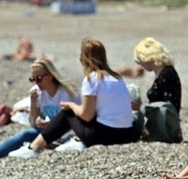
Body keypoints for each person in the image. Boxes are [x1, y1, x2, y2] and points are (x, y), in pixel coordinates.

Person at [8, 37, 138, 158]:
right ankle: (75, 141)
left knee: (68, 112)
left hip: (105, 137)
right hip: (127, 134)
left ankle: (33, 148)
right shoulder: (117, 78)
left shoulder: (92, 79)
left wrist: (71, 105)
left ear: (84, 59)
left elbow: (86, 115)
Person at [0, 59, 80, 162]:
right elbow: (33, 123)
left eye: (39, 78)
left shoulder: (65, 92)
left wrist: (51, 124)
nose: (36, 82)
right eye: (32, 79)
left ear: (50, 76)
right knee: (26, 133)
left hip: (70, 133)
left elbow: (73, 120)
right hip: (50, 133)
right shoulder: (38, 92)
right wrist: (33, 103)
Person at [132, 37, 182, 142]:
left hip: (166, 128)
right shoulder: (162, 72)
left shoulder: (167, 74)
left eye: (139, 60)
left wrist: (142, 107)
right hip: (161, 125)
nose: (139, 64)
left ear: (147, 58)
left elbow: (169, 107)